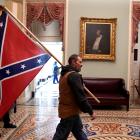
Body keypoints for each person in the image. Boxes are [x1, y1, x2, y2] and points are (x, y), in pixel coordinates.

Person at [52, 54, 94, 140]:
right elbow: (81, 97)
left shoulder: (65, 74)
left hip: (71, 110)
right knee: (61, 135)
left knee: (78, 131)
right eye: (80, 62)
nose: (81, 64)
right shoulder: (74, 76)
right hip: (69, 112)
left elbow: (71, 91)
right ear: (74, 62)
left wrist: (80, 85)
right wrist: (90, 111)